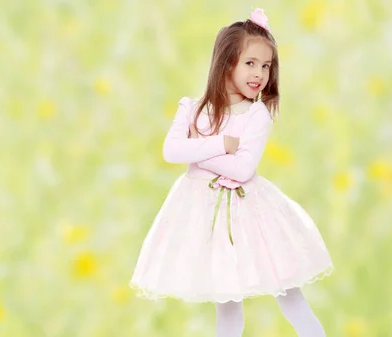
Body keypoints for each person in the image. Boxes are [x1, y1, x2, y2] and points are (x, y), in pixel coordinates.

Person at [129, 8, 333, 337]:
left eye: (266, 66)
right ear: (226, 63)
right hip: (205, 216)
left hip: (250, 213)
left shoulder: (257, 115)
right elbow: (170, 151)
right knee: (226, 302)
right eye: (250, 63)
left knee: (289, 294)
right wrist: (222, 143)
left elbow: (242, 168)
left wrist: (198, 151)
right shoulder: (192, 108)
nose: (260, 74)